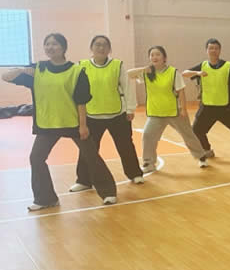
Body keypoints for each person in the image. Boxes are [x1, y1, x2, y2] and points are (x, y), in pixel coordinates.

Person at [2, 33, 117, 210]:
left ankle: (108, 192)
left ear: (63, 48)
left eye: (54, 44)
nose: (50, 47)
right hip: (47, 124)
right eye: (47, 44)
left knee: (91, 156)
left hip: (72, 123)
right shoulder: (38, 69)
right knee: (36, 158)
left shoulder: (76, 71)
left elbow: (81, 101)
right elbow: (6, 76)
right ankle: (46, 199)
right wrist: (23, 70)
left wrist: (83, 125)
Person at [72, 35, 144, 193]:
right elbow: (76, 91)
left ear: (109, 49)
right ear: (91, 48)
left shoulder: (117, 65)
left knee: (126, 146)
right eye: (97, 44)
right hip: (91, 116)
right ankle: (84, 180)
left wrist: (130, 109)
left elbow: (127, 87)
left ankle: (135, 174)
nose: (101, 47)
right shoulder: (82, 66)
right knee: (88, 150)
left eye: (105, 45)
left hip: (117, 115)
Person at [128, 46, 209, 172]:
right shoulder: (147, 73)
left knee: (188, 135)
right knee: (148, 136)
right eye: (152, 55)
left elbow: (181, 91)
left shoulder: (173, 72)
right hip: (155, 113)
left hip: (174, 112)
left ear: (164, 58)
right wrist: (144, 69)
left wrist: (184, 109)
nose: (154, 57)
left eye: (158, 54)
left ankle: (201, 156)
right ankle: (149, 163)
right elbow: (128, 74)